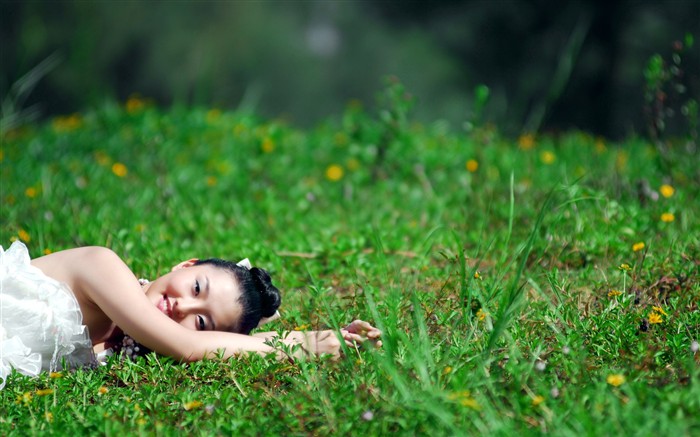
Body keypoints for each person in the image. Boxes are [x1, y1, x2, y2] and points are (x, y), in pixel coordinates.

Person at [0, 241, 381, 389]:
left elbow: (214, 345)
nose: (183, 306)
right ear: (185, 264)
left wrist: (323, 336)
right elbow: (189, 346)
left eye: (201, 320)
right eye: (197, 288)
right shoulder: (103, 265)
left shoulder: (132, 340)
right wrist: (301, 348)